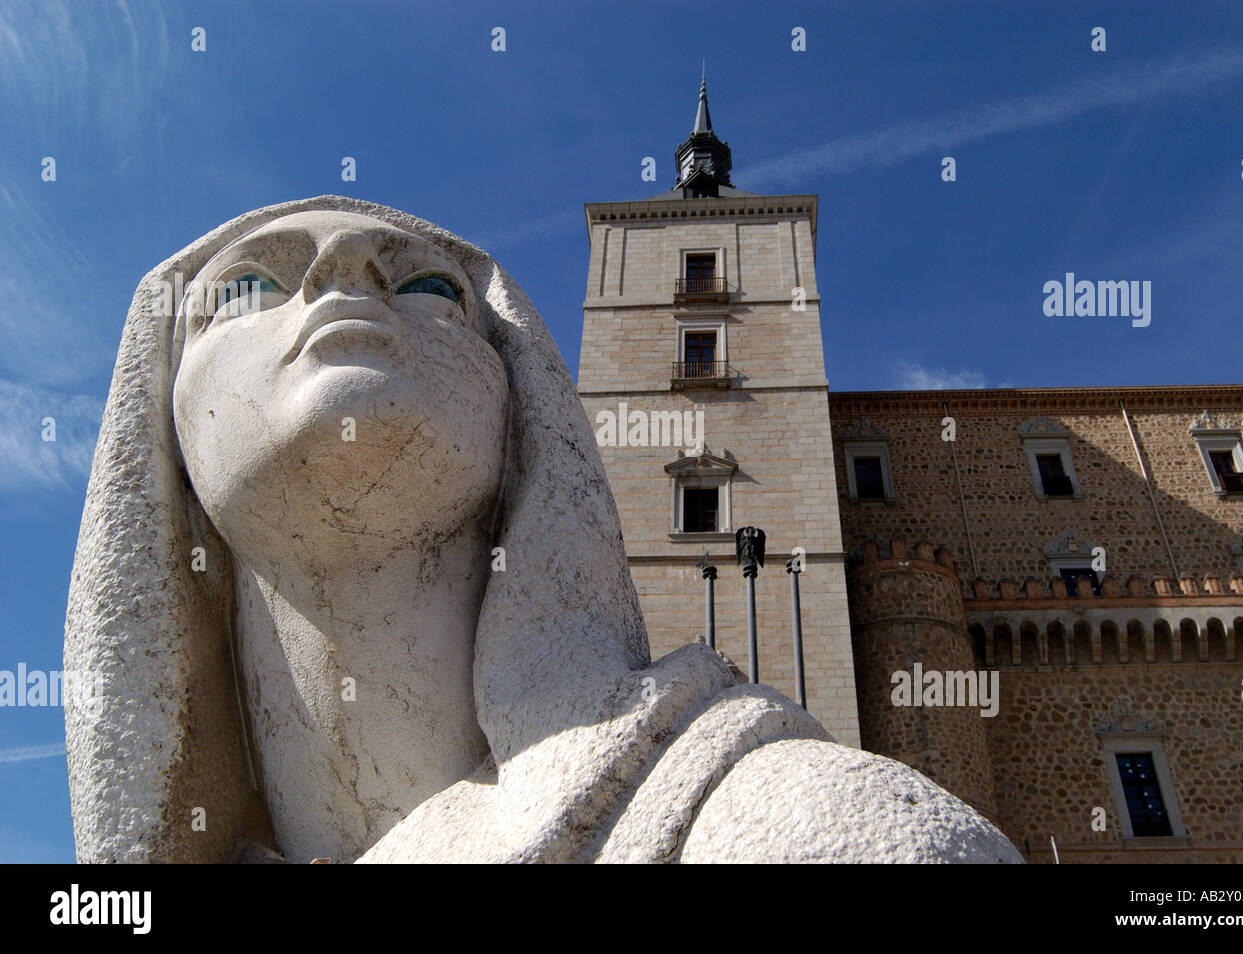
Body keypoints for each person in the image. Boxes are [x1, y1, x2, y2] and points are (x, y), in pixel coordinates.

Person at [65, 196, 1020, 863]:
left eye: (433, 285)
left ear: (528, 405)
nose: (342, 276)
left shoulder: (785, 825)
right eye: (246, 288)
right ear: (157, 431)